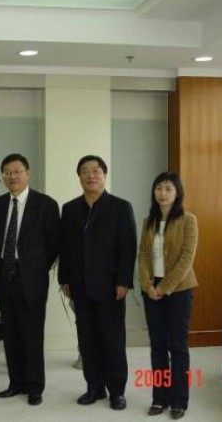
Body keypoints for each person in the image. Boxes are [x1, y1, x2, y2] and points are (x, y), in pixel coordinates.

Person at [58, 155, 137, 411]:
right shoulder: (70, 209)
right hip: (79, 285)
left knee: (113, 340)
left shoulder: (120, 207)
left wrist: (123, 281)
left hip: (110, 287)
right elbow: (65, 247)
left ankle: (117, 391)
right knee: (87, 339)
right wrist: (64, 278)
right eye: (85, 171)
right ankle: (94, 387)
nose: (91, 175)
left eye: (96, 171)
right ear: (79, 177)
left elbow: (128, 247)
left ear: (104, 175)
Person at [0, 153, 60, 406]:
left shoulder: (45, 204)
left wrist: (36, 267)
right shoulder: (0, 203)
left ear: (28, 173)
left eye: (17, 171)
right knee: (10, 334)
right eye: (7, 172)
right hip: (5, 275)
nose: (12, 176)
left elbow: (54, 243)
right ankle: (16, 383)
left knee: (32, 335)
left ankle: (35, 387)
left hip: (31, 278)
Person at [138, 172, 198, 420]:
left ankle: (179, 400)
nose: (162, 193)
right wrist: (147, 284)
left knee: (178, 346)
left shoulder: (188, 220)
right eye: (159, 188)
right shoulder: (148, 221)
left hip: (179, 290)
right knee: (158, 346)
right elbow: (143, 255)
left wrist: (164, 288)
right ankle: (159, 398)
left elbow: (186, 259)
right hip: (152, 289)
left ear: (177, 193)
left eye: (168, 189)